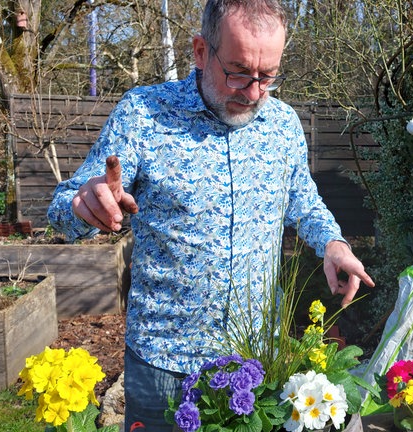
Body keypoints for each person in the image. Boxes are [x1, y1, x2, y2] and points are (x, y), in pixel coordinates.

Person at [47, 0, 374, 430]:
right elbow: (64, 207)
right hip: (164, 365)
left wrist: (333, 243)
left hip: (253, 363)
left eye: (268, 76)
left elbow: (303, 199)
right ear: (201, 52)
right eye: (238, 71)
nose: (255, 92)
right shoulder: (144, 114)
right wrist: (81, 205)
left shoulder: (284, 125)